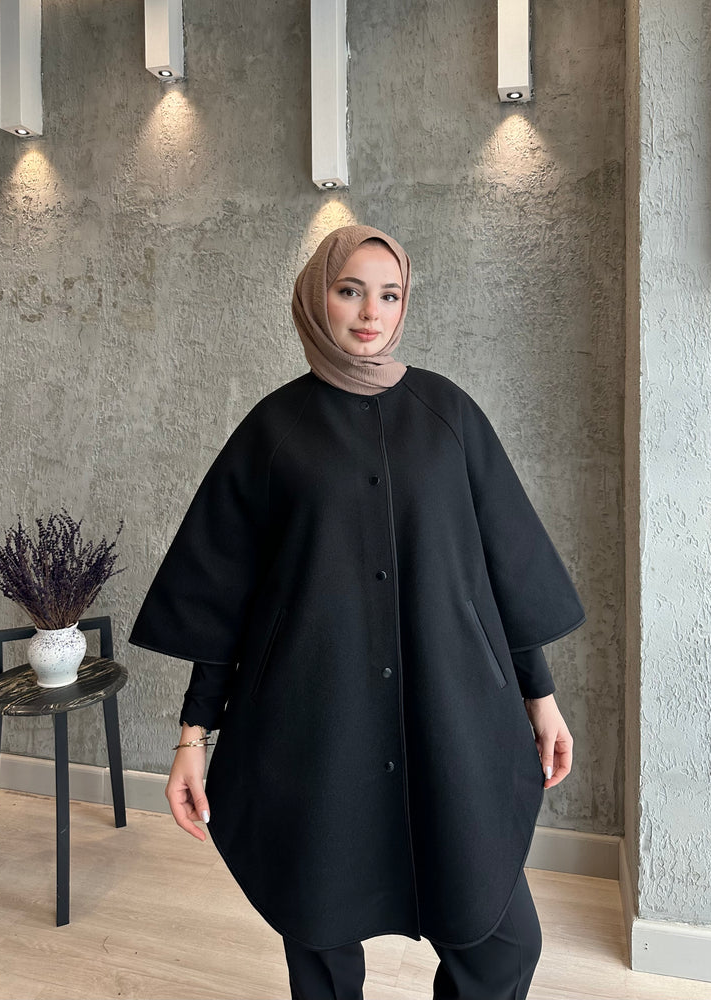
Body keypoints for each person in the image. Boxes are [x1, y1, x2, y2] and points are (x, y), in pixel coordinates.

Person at [129, 224, 585, 1000]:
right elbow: (224, 602)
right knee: (321, 935)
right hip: (316, 729)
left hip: (452, 718)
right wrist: (193, 737)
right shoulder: (273, 431)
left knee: (503, 942)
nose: (371, 313)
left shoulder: (449, 414)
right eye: (350, 291)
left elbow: (498, 572)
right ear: (317, 298)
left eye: (389, 294)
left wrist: (540, 697)